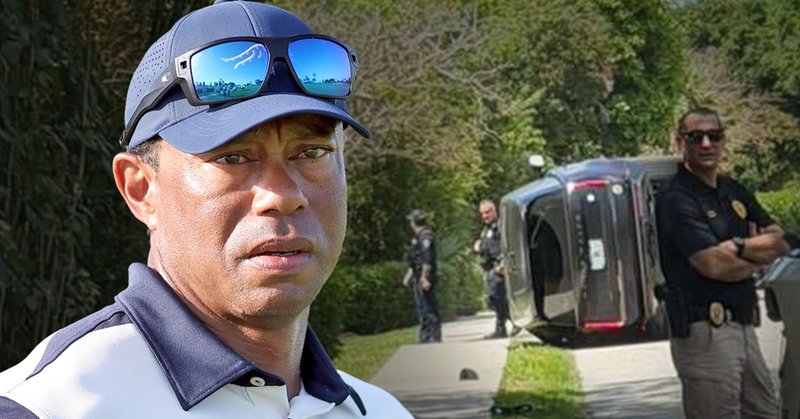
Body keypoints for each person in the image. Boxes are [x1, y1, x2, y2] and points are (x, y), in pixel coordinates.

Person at [0, 1, 412, 417]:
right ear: (141, 190)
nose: (282, 195)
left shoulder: (382, 411)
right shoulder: (48, 406)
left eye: (312, 152)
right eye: (233, 158)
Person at [656, 107, 792, 419]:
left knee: (765, 412)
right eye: (696, 137)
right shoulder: (675, 198)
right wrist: (758, 257)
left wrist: (739, 247)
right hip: (705, 330)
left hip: (744, 325)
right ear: (680, 143)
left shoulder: (733, 189)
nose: (707, 144)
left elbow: (779, 239)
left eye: (714, 136)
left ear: (723, 141)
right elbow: (714, 266)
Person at [473, 199, 520, 339]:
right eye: (482, 213)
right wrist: (478, 246)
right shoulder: (486, 229)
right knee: (494, 300)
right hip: (490, 269)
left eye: (488, 212)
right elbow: (486, 247)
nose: (485, 216)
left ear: (494, 210)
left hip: (499, 269)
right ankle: (506, 326)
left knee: (497, 297)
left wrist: (504, 264)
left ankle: (510, 324)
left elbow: (510, 245)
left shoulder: (501, 226)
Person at [402, 209, 442, 343]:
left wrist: (424, 278)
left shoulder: (425, 236)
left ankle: (432, 336)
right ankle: (425, 337)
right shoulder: (418, 237)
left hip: (424, 278)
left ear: (414, 223)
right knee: (423, 309)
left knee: (428, 308)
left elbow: (427, 259)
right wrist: (408, 276)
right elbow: (415, 260)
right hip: (418, 276)